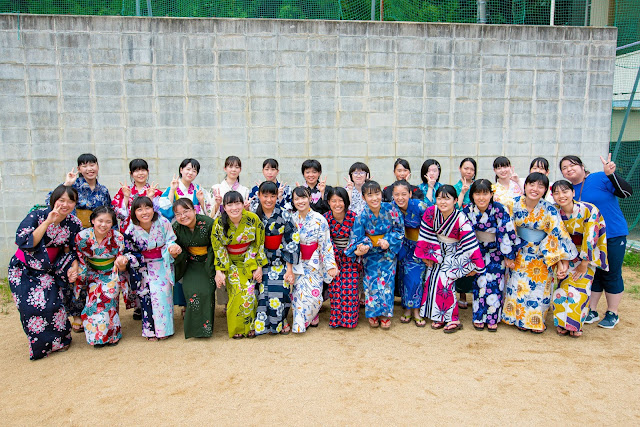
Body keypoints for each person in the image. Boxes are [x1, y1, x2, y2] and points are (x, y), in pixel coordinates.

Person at [8, 185, 82, 360]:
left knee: (53, 305)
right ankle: (41, 346)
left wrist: (74, 266)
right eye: (61, 200)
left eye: (70, 201)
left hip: (48, 269)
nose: (65, 205)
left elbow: (73, 250)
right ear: (53, 200)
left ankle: (61, 341)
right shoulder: (37, 215)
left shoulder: (74, 223)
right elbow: (25, 242)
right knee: (30, 308)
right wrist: (48, 222)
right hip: (24, 268)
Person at [559, 154, 632, 329]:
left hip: (612, 233)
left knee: (611, 272)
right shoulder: (568, 190)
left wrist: (611, 175)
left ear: (582, 167)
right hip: (589, 239)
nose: (569, 169)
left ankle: (612, 312)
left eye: (572, 165)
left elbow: (626, 192)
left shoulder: (599, 177)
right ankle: (591, 310)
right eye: (564, 168)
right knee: (594, 273)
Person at [502, 173, 577, 333]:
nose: (535, 189)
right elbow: (506, 231)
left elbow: (557, 234)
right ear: (525, 186)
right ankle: (518, 319)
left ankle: (535, 322)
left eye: (540, 186)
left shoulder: (550, 209)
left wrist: (561, 262)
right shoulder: (512, 204)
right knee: (518, 287)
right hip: (519, 253)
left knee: (538, 291)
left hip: (542, 255)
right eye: (532, 184)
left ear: (545, 190)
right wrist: (508, 254)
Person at [414, 185, 485, 333]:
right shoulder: (431, 212)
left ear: (455, 200)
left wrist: (475, 265)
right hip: (436, 250)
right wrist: (428, 255)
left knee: (445, 280)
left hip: (456, 252)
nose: (442, 202)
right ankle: (439, 316)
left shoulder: (460, 218)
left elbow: (469, 242)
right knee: (431, 280)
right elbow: (426, 233)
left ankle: (453, 318)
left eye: (447, 199)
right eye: (439, 198)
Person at [551, 180, 608, 337]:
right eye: (556, 193)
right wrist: (561, 263)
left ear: (573, 193)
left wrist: (584, 263)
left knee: (581, 289)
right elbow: (554, 238)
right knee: (563, 287)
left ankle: (575, 325)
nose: (561, 196)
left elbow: (591, 236)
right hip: (565, 254)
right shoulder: (554, 211)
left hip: (587, 254)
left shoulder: (588, 209)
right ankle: (562, 322)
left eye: (565, 192)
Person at [345, 181, 404, 329]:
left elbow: (399, 230)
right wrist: (362, 246)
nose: (374, 198)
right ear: (364, 197)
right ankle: (373, 313)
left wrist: (388, 240)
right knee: (371, 283)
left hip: (387, 253)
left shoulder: (391, 209)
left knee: (387, 283)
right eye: (370, 195)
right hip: (370, 254)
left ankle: (385, 314)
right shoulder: (361, 215)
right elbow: (357, 237)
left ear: (381, 194)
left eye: (377, 194)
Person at [462, 180, 519, 332]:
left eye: (485, 193)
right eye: (477, 194)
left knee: (495, 284)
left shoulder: (499, 209)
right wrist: (469, 257)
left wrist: (508, 255)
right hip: (477, 251)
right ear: (472, 195)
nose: (481, 198)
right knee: (479, 283)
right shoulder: (468, 210)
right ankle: (479, 317)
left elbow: (507, 231)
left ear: (491, 194)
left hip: (496, 251)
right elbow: (464, 235)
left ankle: (492, 318)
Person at [123, 196, 181, 341]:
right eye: (139, 209)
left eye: (147, 208)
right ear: (134, 212)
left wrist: (171, 248)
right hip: (142, 266)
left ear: (153, 209)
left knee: (163, 294)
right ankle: (150, 330)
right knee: (146, 296)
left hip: (161, 262)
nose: (144, 212)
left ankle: (165, 329)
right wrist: (134, 260)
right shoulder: (131, 230)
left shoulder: (163, 222)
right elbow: (128, 251)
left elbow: (170, 239)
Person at [212, 191, 267, 339]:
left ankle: (250, 327)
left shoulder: (253, 219)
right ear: (224, 207)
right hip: (230, 263)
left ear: (243, 205)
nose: (234, 208)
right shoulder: (218, 223)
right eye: (230, 205)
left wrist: (258, 267)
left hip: (249, 260)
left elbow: (259, 244)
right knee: (237, 292)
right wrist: (219, 271)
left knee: (249, 292)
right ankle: (237, 328)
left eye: (237, 203)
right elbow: (218, 249)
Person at [74, 207, 128, 347]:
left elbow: (120, 258)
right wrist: (80, 275)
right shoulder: (82, 237)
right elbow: (80, 258)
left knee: (108, 299)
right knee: (92, 304)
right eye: (100, 221)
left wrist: (121, 263)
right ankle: (97, 338)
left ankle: (113, 335)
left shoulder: (117, 237)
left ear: (112, 223)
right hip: (91, 273)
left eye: (108, 222)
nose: (103, 225)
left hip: (111, 273)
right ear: (93, 220)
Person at [254, 182, 300, 335]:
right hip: (258, 261)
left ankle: (281, 320)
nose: (269, 200)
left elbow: (292, 241)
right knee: (261, 289)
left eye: (272, 196)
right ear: (259, 196)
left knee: (280, 287)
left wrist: (289, 269)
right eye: (265, 196)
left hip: (280, 261)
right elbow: (251, 244)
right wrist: (257, 265)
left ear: (277, 197)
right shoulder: (253, 215)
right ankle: (262, 323)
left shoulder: (284, 215)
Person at [290, 186, 338, 332]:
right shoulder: (291, 219)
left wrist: (330, 265)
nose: (300, 201)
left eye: (303, 197)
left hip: (314, 262)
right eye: (297, 199)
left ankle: (312, 314)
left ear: (310, 198)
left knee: (315, 294)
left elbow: (326, 244)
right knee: (299, 294)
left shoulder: (319, 219)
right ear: (293, 201)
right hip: (298, 262)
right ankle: (300, 323)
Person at [171, 199, 216, 339]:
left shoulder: (208, 223)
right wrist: (175, 252)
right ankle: (195, 330)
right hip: (190, 262)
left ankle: (205, 328)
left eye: (186, 211)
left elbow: (217, 245)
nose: (183, 216)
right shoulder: (176, 228)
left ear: (194, 210)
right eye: (178, 214)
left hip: (209, 261)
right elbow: (174, 245)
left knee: (206, 291)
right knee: (192, 292)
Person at [392, 180, 429, 327]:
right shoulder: (392, 208)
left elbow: (431, 228)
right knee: (404, 279)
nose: (400, 198)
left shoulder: (420, 206)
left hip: (419, 247)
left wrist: (428, 251)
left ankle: (416, 311)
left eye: (403, 194)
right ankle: (407, 308)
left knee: (415, 280)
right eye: (396, 194)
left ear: (410, 194)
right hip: (402, 247)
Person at [324, 186, 362, 328]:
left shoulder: (353, 217)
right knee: (335, 290)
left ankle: (349, 320)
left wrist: (350, 251)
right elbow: (325, 241)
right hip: (333, 259)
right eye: (333, 201)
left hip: (351, 259)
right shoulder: (325, 218)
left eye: (340, 200)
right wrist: (332, 259)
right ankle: (336, 320)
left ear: (346, 201)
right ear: (329, 202)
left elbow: (358, 238)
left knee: (350, 290)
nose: (337, 204)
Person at [46, 153, 111, 229]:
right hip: (73, 229)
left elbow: (109, 211)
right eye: (84, 166)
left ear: (98, 167)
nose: (89, 169)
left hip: (98, 230)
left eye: (92, 165)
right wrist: (67, 184)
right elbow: (50, 200)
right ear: (79, 169)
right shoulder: (72, 185)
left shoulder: (103, 190)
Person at [112, 158, 162, 234]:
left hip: (150, 231)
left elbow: (159, 214)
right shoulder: (124, 191)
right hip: (129, 231)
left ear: (147, 171)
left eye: (143, 170)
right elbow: (119, 215)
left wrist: (150, 198)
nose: (140, 173)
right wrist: (126, 197)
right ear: (131, 173)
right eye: (136, 171)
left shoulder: (156, 192)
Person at [452, 157, 477, 309]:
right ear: (460, 169)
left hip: (475, 227)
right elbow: (454, 209)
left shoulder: (478, 186)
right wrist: (462, 192)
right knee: (461, 260)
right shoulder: (455, 187)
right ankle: (461, 294)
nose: (468, 171)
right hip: (459, 229)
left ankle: (475, 294)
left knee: (475, 260)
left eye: (471, 169)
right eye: (465, 168)